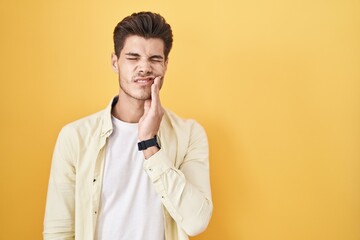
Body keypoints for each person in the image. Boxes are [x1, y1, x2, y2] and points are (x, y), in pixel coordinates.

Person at [43, 11, 213, 240]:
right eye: (133, 58)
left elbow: (196, 221)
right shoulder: (75, 137)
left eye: (155, 59)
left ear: (166, 65)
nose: (144, 68)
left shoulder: (189, 134)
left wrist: (150, 144)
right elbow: (58, 232)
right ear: (115, 62)